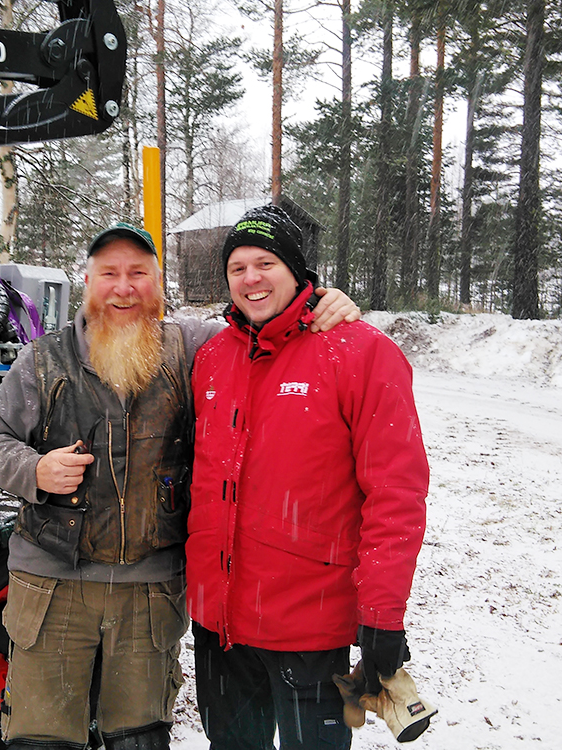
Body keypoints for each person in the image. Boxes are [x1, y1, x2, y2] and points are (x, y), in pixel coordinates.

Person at [0, 221, 360, 750]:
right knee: (42, 738)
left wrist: (322, 304)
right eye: (109, 273)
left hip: (149, 592)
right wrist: (32, 471)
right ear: (87, 280)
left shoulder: (194, 347)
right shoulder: (42, 361)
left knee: (139, 738)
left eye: (139, 273)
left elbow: (265, 323)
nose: (124, 287)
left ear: (159, 284)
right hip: (52, 585)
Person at [186, 204, 430, 750]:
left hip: (307, 626)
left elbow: (396, 492)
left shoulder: (362, 353)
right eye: (237, 267)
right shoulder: (211, 356)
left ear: (299, 272)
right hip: (218, 622)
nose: (250, 278)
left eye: (266, 262)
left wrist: (382, 614)